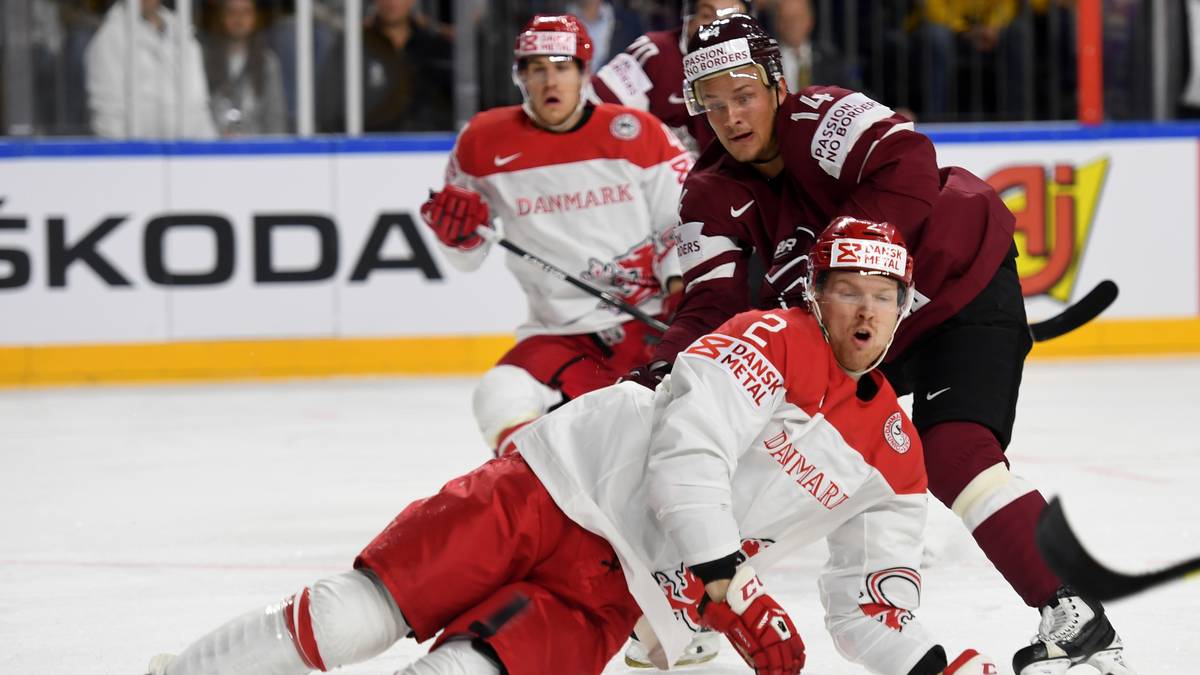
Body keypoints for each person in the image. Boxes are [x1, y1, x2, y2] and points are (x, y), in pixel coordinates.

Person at [145, 218, 999, 675]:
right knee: (349, 617)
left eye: (881, 294)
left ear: (903, 306)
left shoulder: (895, 456)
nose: (862, 309)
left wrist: (934, 664)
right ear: (815, 295)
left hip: (624, 592)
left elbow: (869, 605)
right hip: (552, 491)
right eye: (845, 289)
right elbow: (688, 454)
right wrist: (728, 587)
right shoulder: (768, 334)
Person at [643, 13, 1134, 675]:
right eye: (713, 102)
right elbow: (708, 306)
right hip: (865, 327)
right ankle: (702, 585)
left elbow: (910, 166)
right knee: (761, 429)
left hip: (959, 282)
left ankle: (1076, 617)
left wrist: (836, 262)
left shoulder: (821, 113)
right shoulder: (706, 193)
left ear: (776, 83)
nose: (731, 115)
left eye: (744, 93)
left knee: (956, 447)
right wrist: (662, 362)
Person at [419, 15, 691, 457]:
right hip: (558, 335)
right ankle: (540, 484)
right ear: (521, 76)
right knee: (498, 394)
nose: (551, 79)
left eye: (562, 67)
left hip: (647, 324)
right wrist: (459, 237)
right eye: (538, 68)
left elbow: (680, 220)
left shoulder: (639, 134)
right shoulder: (482, 142)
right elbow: (468, 256)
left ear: (584, 72)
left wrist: (683, 294)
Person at [590, 0, 751, 156]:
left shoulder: (754, 67)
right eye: (708, 16)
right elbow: (593, 110)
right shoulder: (654, 52)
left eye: (732, 20)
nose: (718, 29)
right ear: (688, 19)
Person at [84, 0, 217, 139]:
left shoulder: (184, 34)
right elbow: (108, 117)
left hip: (189, 153)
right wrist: (128, 157)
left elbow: (200, 105)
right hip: (140, 155)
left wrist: (210, 153)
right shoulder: (109, 39)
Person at [316, 0, 453, 132]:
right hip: (369, 146)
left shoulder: (436, 46)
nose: (391, 2)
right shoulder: (352, 47)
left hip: (431, 146)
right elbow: (330, 108)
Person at [202, 0, 287, 136]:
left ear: (255, 17)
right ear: (222, 17)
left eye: (246, 12)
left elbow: (275, 119)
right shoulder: (204, 61)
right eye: (232, 12)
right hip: (214, 150)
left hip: (256, 150)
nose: (239, 19)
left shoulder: (268, 64)